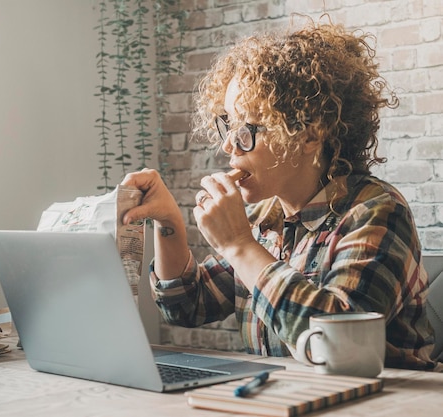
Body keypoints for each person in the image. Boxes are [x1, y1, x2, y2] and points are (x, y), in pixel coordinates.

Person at [121, 18, 440, 370]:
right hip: (290, 399)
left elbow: (338, 346)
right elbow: (185, 306)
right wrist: (168, 224)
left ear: (309, 135)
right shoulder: (266, 220)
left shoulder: (376, 212)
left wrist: (240, 245)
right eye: (228, 123)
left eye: (246, 129)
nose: (229, 144)